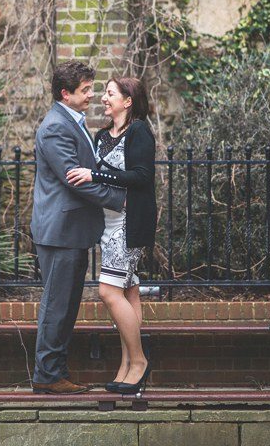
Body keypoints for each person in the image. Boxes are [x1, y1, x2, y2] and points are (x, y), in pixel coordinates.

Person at [29, 60, 127, 394]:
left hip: (70, 232)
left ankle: (54, 371)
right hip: (60, 232)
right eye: (85, 90)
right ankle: (47, 375)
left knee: (66, 304)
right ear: (65, 93)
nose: (91, 95)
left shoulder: (72, 121)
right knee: (57, 305)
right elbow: (75, 179)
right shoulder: (56, 126)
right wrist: (118, 199)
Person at [67, 76, 157, 394]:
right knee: (128, 292)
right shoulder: (102, 135)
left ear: (127, 101)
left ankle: (140, 361)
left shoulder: (139, 131)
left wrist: (96, 174)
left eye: (110, 93)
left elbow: (142, 176)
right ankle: (125, 366)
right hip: (106, 223)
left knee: (108, 292)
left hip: (128, 224)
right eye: (104, 93)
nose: (103, 99)